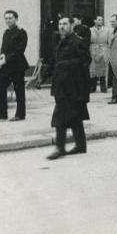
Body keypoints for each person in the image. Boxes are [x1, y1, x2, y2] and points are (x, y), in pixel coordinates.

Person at [46, 17, 91, 160]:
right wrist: (47, 72)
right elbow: (56, 60)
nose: (61, 27)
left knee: (60, 116)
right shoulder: (62, 42)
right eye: (59, 24)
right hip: (62, 85)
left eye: (65, 24)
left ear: (72, 25)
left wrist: (64, 66)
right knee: (75, 115)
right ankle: (80, 145)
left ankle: (59, 148)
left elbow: (85, 61)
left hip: (73, 86)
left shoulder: (77, 42)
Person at [0, 10, 29, 122]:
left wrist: (4, 61)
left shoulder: (21, 32)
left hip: (17, 66)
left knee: (19, 90)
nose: (8, 20)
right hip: (6, 66)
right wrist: (1, 57)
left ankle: (20, 114)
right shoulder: (6, 32)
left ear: (16, 19)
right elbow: (3, 48)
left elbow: (19, 51)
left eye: (10, 18)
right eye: (6, 18)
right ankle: (2, 114)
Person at [89, 16, 110, 93]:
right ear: (95, 21)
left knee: (103, 68)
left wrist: (108, 51)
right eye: (99, 20)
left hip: (103, 49)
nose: (101, 21)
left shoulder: (107, 30)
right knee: (93, 68)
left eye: (102, 20)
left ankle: (103, 86)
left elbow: (109, 41)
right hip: (93, 49)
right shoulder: (90, 30)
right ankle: (92, 86)